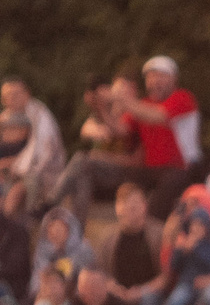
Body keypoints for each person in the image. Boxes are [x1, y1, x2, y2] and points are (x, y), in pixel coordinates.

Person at [113, 56, 205, 217]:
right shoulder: (143, 104)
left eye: (161, 76)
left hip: (183, 168)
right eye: (151, 77)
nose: (155, 81)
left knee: (170, 182)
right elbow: (119, 130)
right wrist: (100, 105)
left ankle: (150, 223)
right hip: (153, 170)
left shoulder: (182, 98)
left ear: (174, 79)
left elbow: (158, 116)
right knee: (127, 178)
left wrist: (122, 98)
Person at [50, 77, 142, 217]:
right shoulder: (108, 114)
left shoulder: (138, 117)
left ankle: (52, 200)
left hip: (123, 177)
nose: (115, 96)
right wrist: (97, 107)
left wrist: (103, 156)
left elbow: (135, 161)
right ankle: (76, 230)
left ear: (133, 93)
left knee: (82, 159)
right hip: (100, 173)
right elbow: (86, 129)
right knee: (82, 175)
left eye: (122, 92)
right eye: (114, 91)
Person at [0, 79, 64, 215]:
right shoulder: (5, 117)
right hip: (15, 171)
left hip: (44, 170)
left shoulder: (40, 115)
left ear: (27, 94)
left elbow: (42, 153)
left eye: (16, 94)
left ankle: (24, 222)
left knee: (19, 189)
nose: (11, 99)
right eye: (7, 96)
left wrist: (13, 164)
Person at [27, 203, 93, 297]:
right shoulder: (43, 251)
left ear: (69, 230)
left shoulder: (83, 249)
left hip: (74, 297)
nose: (55, 234)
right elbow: (36, 281)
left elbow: (85, 280)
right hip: (47, 298)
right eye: (50, 231)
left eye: (58, 230)